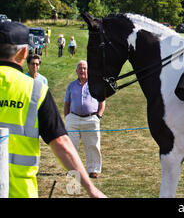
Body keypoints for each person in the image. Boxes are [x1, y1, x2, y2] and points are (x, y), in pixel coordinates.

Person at [0, 21, 106, 198]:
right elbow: (61, 144)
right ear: (24, 52)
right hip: (20, 191)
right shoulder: (34, 90)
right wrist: (91, 189)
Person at [64, 60, 105, 179]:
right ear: (76, 71)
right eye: (80, 68)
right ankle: (72, 170)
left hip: (91, 119)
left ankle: (93, 170)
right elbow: (67, 104)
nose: (82, 70)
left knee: (93, 145)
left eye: (84, 68)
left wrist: (98, 116)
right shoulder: (71, 86)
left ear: (89, 70)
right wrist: (67, 118)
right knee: (71, 145)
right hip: (73, 119)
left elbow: (102, 101)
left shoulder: (95, 85)